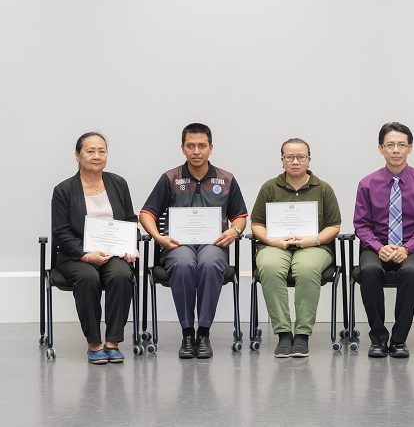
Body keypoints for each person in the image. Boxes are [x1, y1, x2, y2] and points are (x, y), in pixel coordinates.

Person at [140, 123, 248, 359]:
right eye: (190, 146)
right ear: (182, 148)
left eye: (201, 146)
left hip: (213, 245)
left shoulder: (226, 179)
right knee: (183, 264)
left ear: (211, 148)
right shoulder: (170, 178)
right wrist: (158, 237)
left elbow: (240, 216)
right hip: (178, 245)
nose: (196, 151)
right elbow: (147, 213)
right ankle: (187, 333)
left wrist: (234, 231)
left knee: (209, 264)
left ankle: (204, 333)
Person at [353, 122, 414, 358]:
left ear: (409, 148)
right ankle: (378, 339)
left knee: (412, 272)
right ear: (380, 148)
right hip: (377, 246)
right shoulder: (367, 184)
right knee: (369, 271)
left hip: (412, 247)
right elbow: (361, 224)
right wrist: (378, 247)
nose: (396, 150)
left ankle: (399, 340)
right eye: (390, 145)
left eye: (401, 145)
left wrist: (407, 248)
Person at [51, 132, 138, 364]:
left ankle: (113, 341)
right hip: (76, 255)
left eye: (102, 151)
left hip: (113, 253)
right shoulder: (63, 190)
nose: (97, 156)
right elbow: (61, 232)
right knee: (88, 277)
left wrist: (130, 245)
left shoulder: (118, 183)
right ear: (77, 156)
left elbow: (130, 220)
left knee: (121, 275)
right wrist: (85, 255)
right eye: (90, 151)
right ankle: (94, 343)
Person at [251, 138, 342, 358]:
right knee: (270, 267)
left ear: (309, 160)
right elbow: (256, 224)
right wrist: (272, 241)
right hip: (275, 245)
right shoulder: (269, 187)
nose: (295, 161)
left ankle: (302, 334)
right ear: (282, 160)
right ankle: (283, 333)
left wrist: (313, 240)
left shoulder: (323, 188)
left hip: (314, 246)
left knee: (306, 269)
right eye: (289, 157)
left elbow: (334, 226)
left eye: (301, 157)